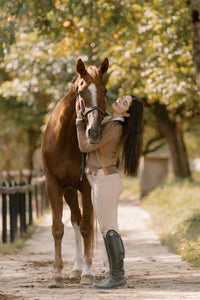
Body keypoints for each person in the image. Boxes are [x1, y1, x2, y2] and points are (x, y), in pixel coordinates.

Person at [75, 94, 143, 289]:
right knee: (107, 229)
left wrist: (79, 122)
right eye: (122, 98)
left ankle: (117, 276)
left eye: (124, 103)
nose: (119, 100)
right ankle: (116, 275)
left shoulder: (115, 128)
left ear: (127, 112)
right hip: (99, 179)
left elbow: (85, 146)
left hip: (106, 180)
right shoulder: (109, 121)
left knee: (110, 229)